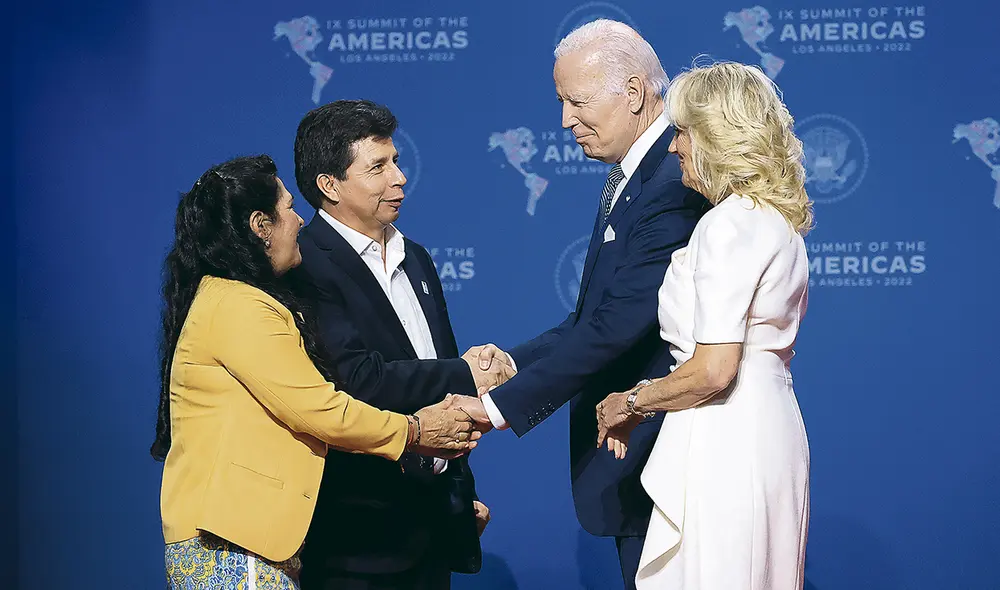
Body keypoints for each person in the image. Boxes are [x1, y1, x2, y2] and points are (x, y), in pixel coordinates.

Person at [455, 19, 707, 589]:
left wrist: (498, 408)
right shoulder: (634, 174)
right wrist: (514, 364)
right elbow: (593, 317)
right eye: (561, 101)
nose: (565, 121)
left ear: (635, 92)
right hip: (638, 456)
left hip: (658, 452)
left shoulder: (672, 179)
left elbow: (620, 325)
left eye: (577, 101)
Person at [151, 155, 479, 589]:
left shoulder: (238, 300)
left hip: (251, 540)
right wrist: (415, 431)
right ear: (260, 226)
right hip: (233, 541)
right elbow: (319, 410)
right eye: (288, 208)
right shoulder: (238, 307)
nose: (300, 220)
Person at [595, 61, 813, 589]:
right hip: (765, 431)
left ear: (718, 138)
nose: (675, 148)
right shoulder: (774, 219)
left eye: (684, 133)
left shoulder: (730, 223)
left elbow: (714, 369)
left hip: (725, 438)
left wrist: (630, 401)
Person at [289, 100, 510, 589]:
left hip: (433, 523)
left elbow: (437, 380)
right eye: (378, 167)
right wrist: (467, 372)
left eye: (397, 161)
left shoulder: (419, 258)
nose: (400, 178)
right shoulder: (306, 265)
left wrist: (453, 486)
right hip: (359, 536)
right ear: (329, 186)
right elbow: (356, 380)